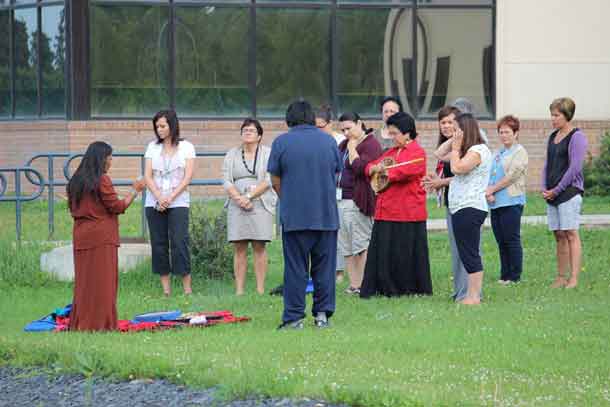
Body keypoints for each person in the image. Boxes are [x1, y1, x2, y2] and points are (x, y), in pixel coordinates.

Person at [267, 100, 341, 329]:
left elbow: (275, 179)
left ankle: (294, 317)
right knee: (325, 269)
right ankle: (322, 315)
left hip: (295, 216)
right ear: (311, 117)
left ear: (289, 119)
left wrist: (287, 198)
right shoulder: (329, 141)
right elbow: (336, 173)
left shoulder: (282, 142)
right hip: (326, 215)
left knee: (295, 269)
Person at [67, 141, 145, 331]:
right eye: (109, 158)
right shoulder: (102, 180)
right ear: (101, 159)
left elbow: (73, 208)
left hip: (81, 236)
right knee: (104, 284)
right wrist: (135, 190)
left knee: (84, 283)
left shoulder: (75, 181)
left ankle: (81, 323)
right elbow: (117, 207)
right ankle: (102, 324)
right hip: (101, 238)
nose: (111, 162)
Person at [360, 112, 432, 298]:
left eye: (395, 134)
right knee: (384, 252)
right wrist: (373, 168)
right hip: (386, 210)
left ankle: (405, 289)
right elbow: (369, 167)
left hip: (407, 212)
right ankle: (383, 287)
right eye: (390, 134)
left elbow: (401, 172)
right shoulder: (390, 152)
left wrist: (380, 170)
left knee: (403, 253)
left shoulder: (418, 153)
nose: (392, 138)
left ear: (407, 133)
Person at [436, 113, 492, 305]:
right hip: (459, 207)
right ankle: (469, 294)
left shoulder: (478, 150)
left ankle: (474, 296)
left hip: (471, 207)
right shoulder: (464, 149)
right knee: (465, 251)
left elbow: (458, 168)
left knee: (470, 252)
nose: (452, 129)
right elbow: (439, 155)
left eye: (456, 127)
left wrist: (457, 146)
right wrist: (453, 140)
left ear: (465, 129)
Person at [222, 118, 277, 295]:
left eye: (251, 130)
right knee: (239, 246)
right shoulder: (232, 154)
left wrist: (249, 196)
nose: (247, 132)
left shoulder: (268, 153)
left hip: (261, 202)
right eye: (244, 130)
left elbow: (269, 179)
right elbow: (226, 180)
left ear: (259, 135)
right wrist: (239, 198)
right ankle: (239, 290)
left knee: (259, 246)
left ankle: (260, 289)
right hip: (237, 204)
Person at [144, 110, 195, 297]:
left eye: (163, 126)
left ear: (172, 125)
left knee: (179, 242)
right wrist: (158, 196)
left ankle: (187, 289)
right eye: (157, 127)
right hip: (154, 201)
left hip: (178, 201)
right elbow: (147, 176)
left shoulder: (187, 147)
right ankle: (166, 290)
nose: (160, 130)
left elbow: (187, 176)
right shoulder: (152, 147)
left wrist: (170, 197)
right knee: (158, 243)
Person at [422, 105, 470, 301]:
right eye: (442, 122)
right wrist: (435, 179)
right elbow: (441, 160)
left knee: (466, 250)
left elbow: (465, 175)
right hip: (452, 201)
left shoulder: (466, 145)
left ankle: (469, 292)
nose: (446, 125)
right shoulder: (449, 145)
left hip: (466, 203)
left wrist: (440, 182)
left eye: (450, 121)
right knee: (456, 250)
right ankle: (459, 291)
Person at [542, 97, 587, 289]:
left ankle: (574, 279)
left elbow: (575, 168)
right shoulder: (553, 136)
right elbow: (547, 164)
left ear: (567, 115)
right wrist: (545, 187)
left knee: (570, 233)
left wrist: (557, 189)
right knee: (558, 234)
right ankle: (560, 277)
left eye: (556, 115)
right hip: (552, 193)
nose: (553, 119)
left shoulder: (577, 137)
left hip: (569, 192)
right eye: (551, 115)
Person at [337, 112, 382, 294]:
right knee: (346, 246)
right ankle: (354, 284)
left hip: (358, 200)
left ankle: (364, 283)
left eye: (349, 128)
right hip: (339, 199)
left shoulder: (370, 144)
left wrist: (354, 149)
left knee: (361, 244)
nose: (346, 132)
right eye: (343, 130)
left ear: (359, 123)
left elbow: (361, 169)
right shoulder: (343, 144)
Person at [486, 115, 528, 284]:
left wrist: (492, 189)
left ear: (516, 133)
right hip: (496, 202)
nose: (504, 135)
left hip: (512, 201)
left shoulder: (520, 152)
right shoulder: (497, 152)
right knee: (501, 241)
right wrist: (488, 192)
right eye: (501, 132)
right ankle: (505, 275)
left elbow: (512, 176)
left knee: (511, 239)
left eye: (507, 132)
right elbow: (490, 174)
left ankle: (515, 276)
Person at [315, 105, 346, 283]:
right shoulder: (314, 141)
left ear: (330, 124)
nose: (319, 130)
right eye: (315, 127)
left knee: (339, 231)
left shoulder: (340, 141)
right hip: (320, 193)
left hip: (338, 192)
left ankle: (339, 271)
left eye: (321, 126)